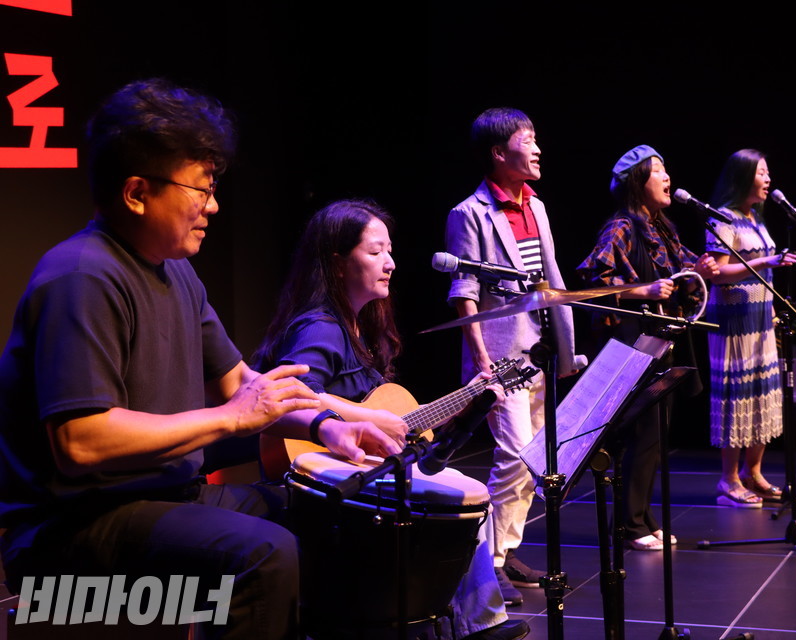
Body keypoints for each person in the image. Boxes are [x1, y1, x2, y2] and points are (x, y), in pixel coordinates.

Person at [0, 79, 399, 639]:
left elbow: (240, 382)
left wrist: (327, 426)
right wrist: (231, 417)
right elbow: (81, 442)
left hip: (163, 499)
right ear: (137, 192)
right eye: (200, 188)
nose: (213, 205)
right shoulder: (81, 276)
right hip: (69, 536)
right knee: (263, 555)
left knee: (326, 515)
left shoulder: (177, 272)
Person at [253, 199, 529, 640]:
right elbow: (291, 395)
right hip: (320, 471)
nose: (391, 263)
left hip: (355, 463)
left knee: (465, 489)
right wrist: (364, 416)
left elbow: (397, 419)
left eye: (390, 250)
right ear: (337, 263)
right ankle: (476, 623)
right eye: (376, 251)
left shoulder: (359, 326)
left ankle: (468, 619)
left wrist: (469, 399)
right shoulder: (321, 327)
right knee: (468, 493)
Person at [444, 107, 584, 600]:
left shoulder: (537, 207)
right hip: (502, 357)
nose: (538, 147)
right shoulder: (469, 213)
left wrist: (566, 348)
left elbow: (551, 279)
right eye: (528, 139)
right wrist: (481, 361)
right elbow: (464, 287)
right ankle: (488, 560)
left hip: (541, 349)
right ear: (499, 152)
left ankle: (505, 545)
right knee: (516, 459)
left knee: (539, 459)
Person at [578, 144, 718, 550]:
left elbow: (686, 270)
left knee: (655, 434)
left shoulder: (663, 227)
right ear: (639, 181)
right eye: (658, 170)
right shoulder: (621, 226)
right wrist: (644, 290)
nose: (667, 177)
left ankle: (642, 517)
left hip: (661, 341)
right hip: (633, 344)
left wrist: (702, 271)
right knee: (641, 432)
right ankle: (629, 526)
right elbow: (592, 280)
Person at [704, 149, 796, 508]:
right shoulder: (722, 218)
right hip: (733, 322)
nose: (768, 178)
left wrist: (772, 308)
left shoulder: (756, 219)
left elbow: (767, 273)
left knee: (761, 395)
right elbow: (718, 272)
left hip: (760, 318)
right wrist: (764, 261)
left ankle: (753, 473)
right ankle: (728, 480)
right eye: (761, 172)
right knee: (735, 397)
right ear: (743, 176)